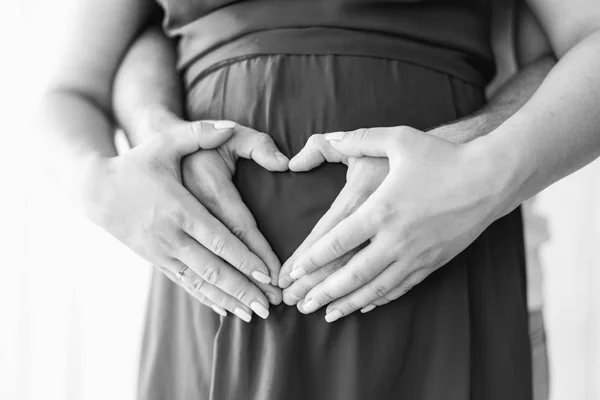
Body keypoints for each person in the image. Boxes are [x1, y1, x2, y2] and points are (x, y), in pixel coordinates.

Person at [35, 0, 600, 399]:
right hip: (208, 302)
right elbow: (72, 88)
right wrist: (101, 187)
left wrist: (483, 175)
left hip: (444, 274)